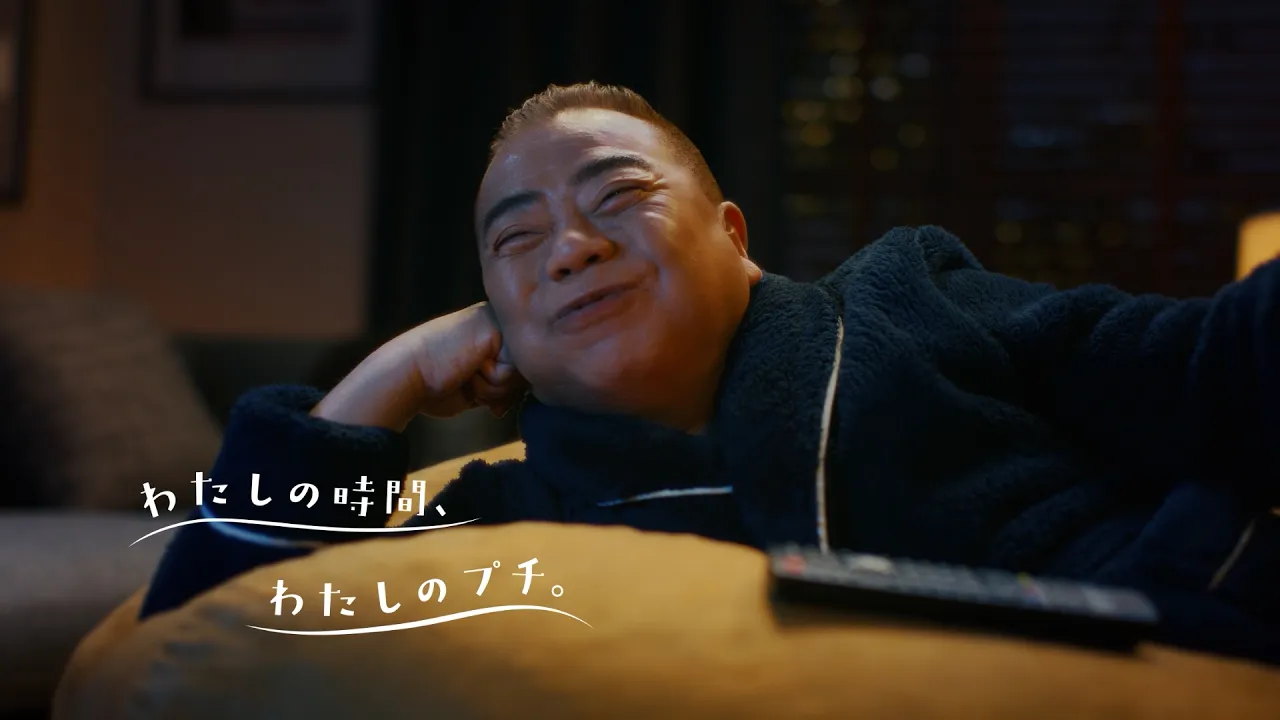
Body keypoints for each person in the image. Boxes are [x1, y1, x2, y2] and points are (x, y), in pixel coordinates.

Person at [140, 82, 1279, 665]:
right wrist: (394, 369)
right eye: (516, 239)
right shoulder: (503, 522)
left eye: (617, 195)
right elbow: (208, 641)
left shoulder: (911, 298)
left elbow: (1214, 370)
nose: (569, 248)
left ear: (734, 237)